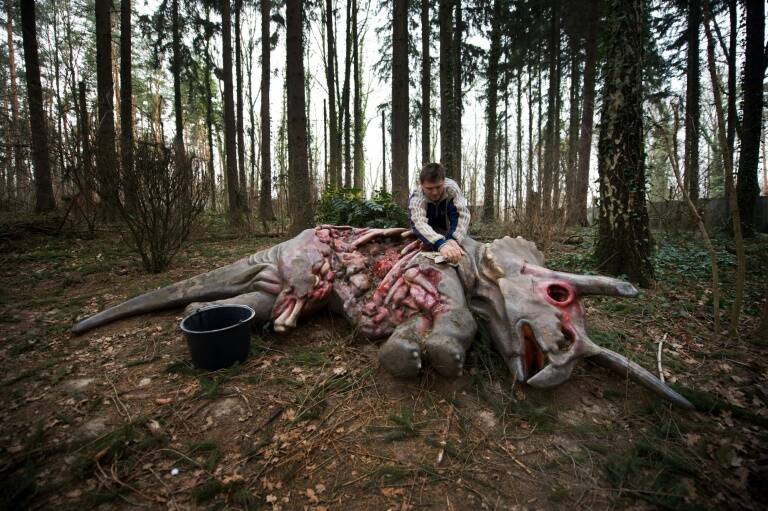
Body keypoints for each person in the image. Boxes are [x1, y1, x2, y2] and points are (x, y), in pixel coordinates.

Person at [407, 162, 471, 264]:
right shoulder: (416, 197)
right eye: (429, 188)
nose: (435, 192)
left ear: (444, 181)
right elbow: (418, 222)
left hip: (449, 229)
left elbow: (462, 216)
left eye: (438, 187)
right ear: (421, 184)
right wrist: (440, 244)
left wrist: (453, 239)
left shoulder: (452, 189)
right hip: (427, 230)